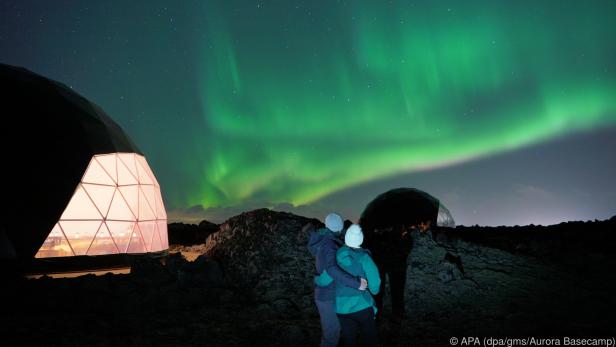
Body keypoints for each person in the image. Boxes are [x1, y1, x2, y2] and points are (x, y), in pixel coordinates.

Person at [308, 213, 368, 347]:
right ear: (339, 227)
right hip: (327, 295)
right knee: (331, 333)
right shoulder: (329, 244)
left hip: (326, 293)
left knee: (334, 331)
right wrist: (356, 283)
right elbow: (331, 269)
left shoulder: (324, 240)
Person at [336, 224, 381, 347]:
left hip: (340, 307)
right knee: (370, 339)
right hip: (361, 306)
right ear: (361, 239)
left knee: (349, 340)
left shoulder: (335, 255)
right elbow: (375, 286)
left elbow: (323, 280)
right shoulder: (364, 258)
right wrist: (372, 289)